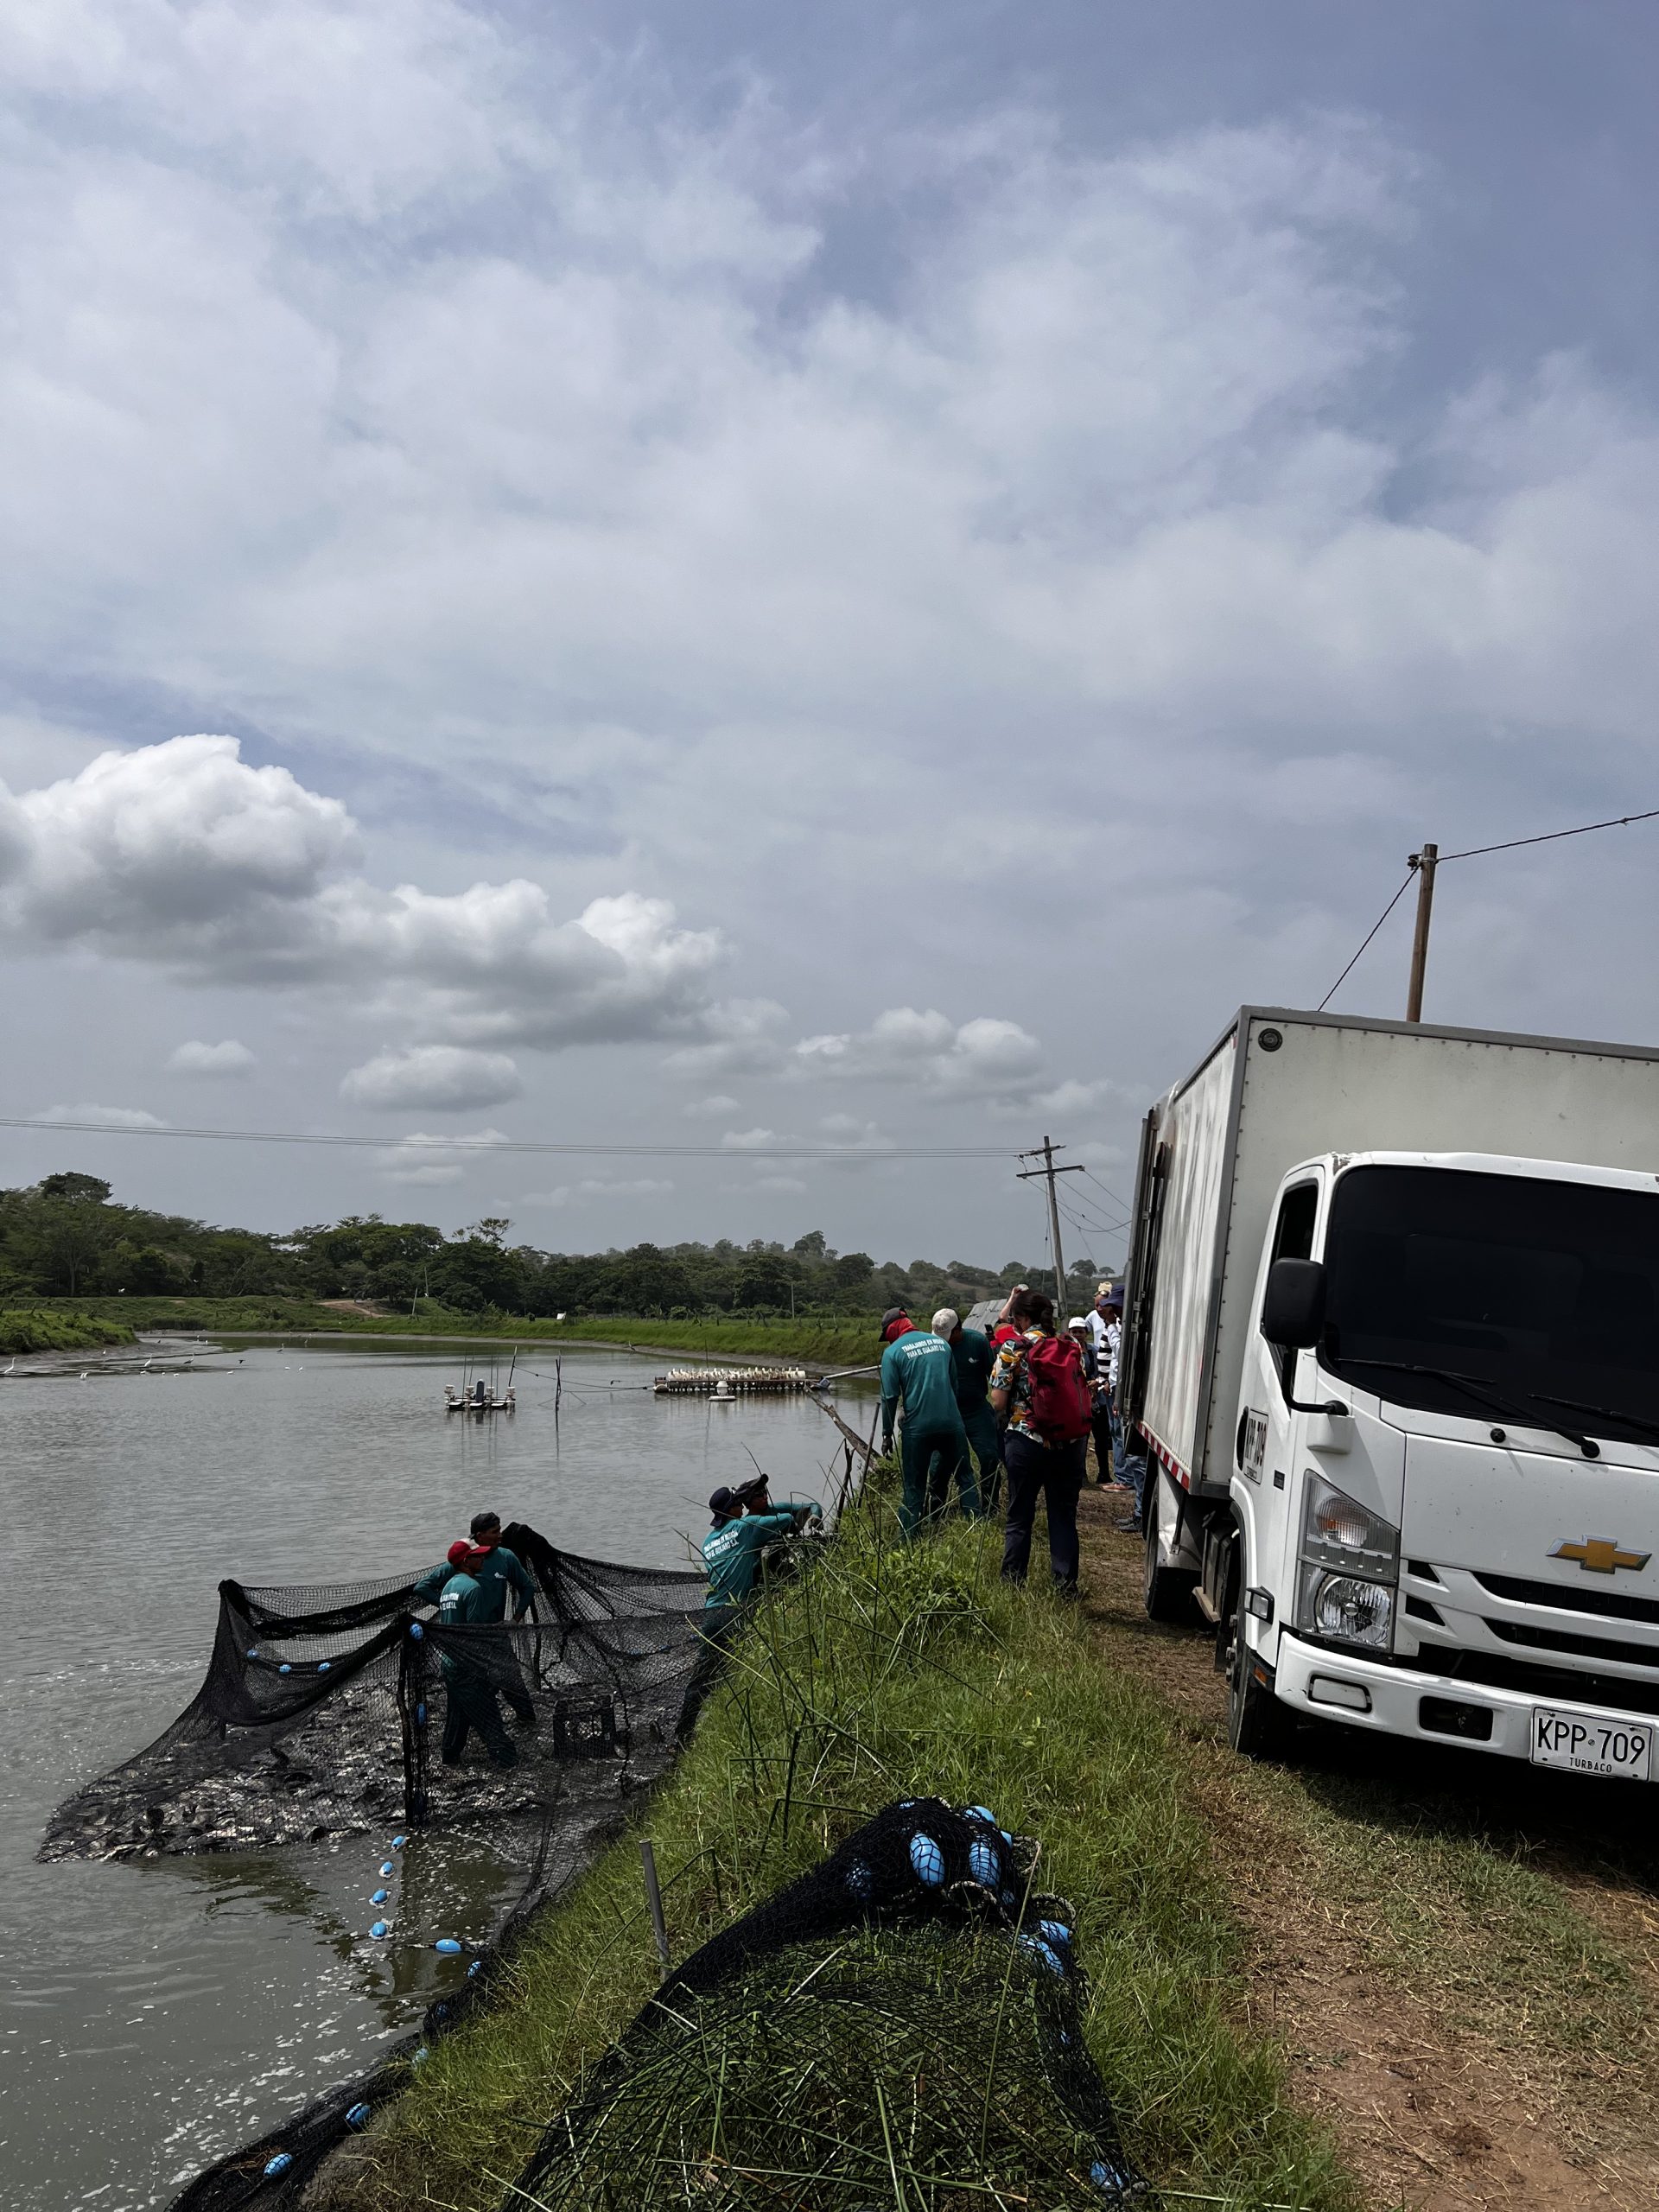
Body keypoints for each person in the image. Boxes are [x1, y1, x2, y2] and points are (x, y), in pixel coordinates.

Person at [989, 1289, 1091, 1593]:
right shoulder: (1070, 1345)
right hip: (1068, 1443)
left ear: (1022, 1318)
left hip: (1026, 1440)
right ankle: (1065, 1586)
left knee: (1020, 1515)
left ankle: (1013, 1585)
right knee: (1063, 1516)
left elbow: (997, 1401)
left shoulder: (1013, 1346)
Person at [880, 1307, 970, 1537]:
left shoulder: (892, 1353)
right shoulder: (942, 1345)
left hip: (917, 1429)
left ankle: (909, 1541)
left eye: (887, 1334)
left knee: (913, 1486)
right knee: (965, 1477)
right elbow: (953, 1385)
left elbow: (889, 1397)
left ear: (893, 1328)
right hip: (952, 1424)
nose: (887, 1339)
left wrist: (887, 1433)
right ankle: (976, 1528)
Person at [433, 1540, 520, 1770]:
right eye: (478, 1556)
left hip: (450, 1664)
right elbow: (475, 1634)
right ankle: (508, 1763)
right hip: (468, 1666)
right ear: (465, 1562)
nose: (482, 1558)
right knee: (490, 1720)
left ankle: (449, 1760)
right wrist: (487, 1665)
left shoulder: (448, 1587)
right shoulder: (473, 1589)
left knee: (457, 1716)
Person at [702, 1478, 822, 1605]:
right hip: (741, 1600)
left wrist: (814, 1516)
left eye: (765, 1491)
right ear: (747, 1501)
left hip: (712, 1605)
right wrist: (792, 1524)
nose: (765, 1496)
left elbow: (811, 1506)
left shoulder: (707, 1542)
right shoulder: (746, 1527)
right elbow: (787, 1518)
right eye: (758, 1495)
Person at [936, 1306, 996, 1514]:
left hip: (976, 1410)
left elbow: (995, 1375)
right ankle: (935, 1512)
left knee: (989, 1456)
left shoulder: (977, 1342)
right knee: (939, 1466)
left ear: (958, 1330)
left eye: (948, 1335)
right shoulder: (935, 1345)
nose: (944, 1340)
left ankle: (990, 1508)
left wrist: (1001, 1409)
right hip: (947, 1412)